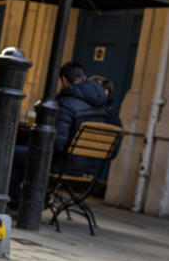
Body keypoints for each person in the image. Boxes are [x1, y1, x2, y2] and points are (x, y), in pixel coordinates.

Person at [9, 61, 108, 206]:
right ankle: (31, 199)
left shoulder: (66, 103)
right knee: (22, 155)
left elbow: (57, 142)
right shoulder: (99, 105)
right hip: (86, 166)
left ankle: (17, 201)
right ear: (84, 78)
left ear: (64, 80)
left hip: (62, 164)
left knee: (9, 153)